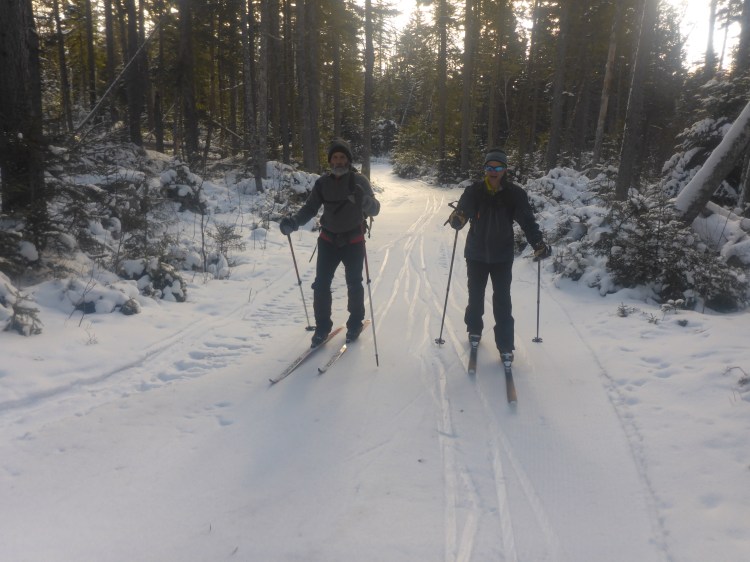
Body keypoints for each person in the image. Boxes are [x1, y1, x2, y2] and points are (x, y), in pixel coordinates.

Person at [447, 148, 551, 364]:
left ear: (505, 170)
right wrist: (457, 218)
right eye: (489, 167)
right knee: (475, 294)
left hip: (502, 256)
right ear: (484, 169)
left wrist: (538, 243)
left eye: (498, 167)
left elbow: (527, 221)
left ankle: (505, 345)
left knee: (502, 300)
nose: (493, 171)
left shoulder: (515, 194)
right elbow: (462, 213)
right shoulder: (474, 192)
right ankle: (474, 329)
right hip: (476, 253)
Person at [280, 139, 380, 347]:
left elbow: (375, 210)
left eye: (342, 157)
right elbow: (310, 208)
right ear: (330, 160)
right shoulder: (322, 183)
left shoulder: (359, 181)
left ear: (348, 160)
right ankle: (322, 328)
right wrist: (294, 222)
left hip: (354, 240)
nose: (338, 161)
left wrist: (363, 200)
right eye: (335, 157)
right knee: (321, 285)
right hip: (328, 240)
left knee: (354, 283)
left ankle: (354, 324)